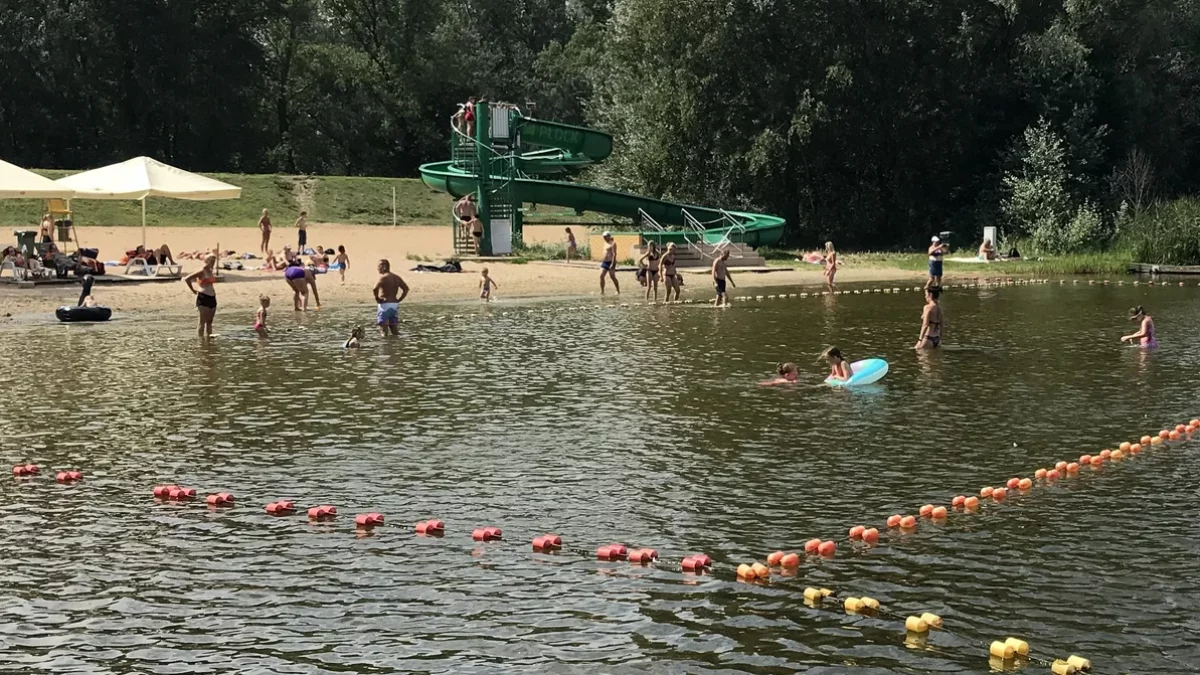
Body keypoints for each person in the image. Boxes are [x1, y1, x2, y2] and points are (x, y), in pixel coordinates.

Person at [184, 254, 219, 337]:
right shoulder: (202, 270)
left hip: (212, 297)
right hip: (203, 296)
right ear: (206, 261)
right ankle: (201, 343)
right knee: (202, 322)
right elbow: (187, 278)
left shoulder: (210, 271)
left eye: (214, 261)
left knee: (210, 322)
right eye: (211, 260)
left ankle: (209, 342)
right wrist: (193, 290)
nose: (213, 262)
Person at [373, 259, 409, 336]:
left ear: (384, 266)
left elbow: (375, 288)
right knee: (394, 330)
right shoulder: (396, 277)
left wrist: (377, 298)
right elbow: (406, 289)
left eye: (379, 266)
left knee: (383, 330)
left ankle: (385, 346)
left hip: (384, 305)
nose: (378, 268)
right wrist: (399, 300)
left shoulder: (383, 277)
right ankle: (396, 345)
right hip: (394, 305)